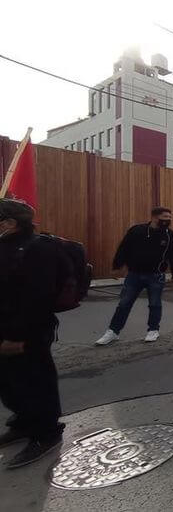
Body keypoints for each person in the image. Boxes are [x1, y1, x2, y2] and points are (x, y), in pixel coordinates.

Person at [0, 200, 67, 469]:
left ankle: (47, 431)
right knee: (8, 381)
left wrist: (17, 336)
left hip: (28, 332)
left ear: (11, 223)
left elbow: (38, 298)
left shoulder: (38, 249)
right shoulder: (5, 245)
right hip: (4, 328)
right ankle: (24, 422)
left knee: (35, 380)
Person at [95, 207, 173, 346]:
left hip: (156, 276)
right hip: (134, 275)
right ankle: (113, 332)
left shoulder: (171, 236)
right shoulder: (137, 231)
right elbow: (123, 248)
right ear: (154, 217)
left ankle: (153, 330)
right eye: (165, 217)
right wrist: (117, 266)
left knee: (154, 304)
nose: (168, 220)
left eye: (170, 218)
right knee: (124, 304)